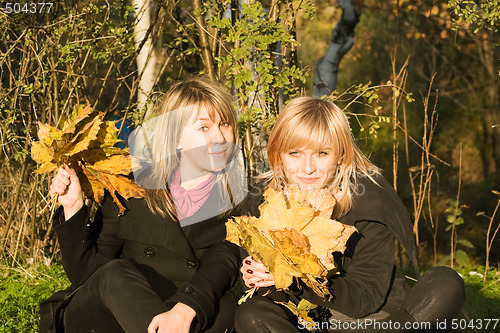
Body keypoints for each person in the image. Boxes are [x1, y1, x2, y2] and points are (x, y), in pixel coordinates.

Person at [235, 96, 465, 332]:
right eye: (294, 153)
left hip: (374, 322)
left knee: (445, 284)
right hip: (305, 323)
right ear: (278, 155)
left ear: (341, 155)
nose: (307, 168)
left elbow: (365, 298)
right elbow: (267, 296)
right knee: (252, 314)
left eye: (321, 153)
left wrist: (298, 278)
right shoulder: (262, 201)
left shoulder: (370, 203)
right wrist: (260, 278)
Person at [40, 77, 247, 333]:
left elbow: (222, 263)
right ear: (176, 138)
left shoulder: (239, 200)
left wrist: (185, 307)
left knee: (227, 309)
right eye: (204, 128)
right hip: (111, 314)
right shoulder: (133, 187)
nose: (219, 137)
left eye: (224, 124)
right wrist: (73, 208)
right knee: (115, 273)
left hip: (180, 311)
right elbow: (88, 273)